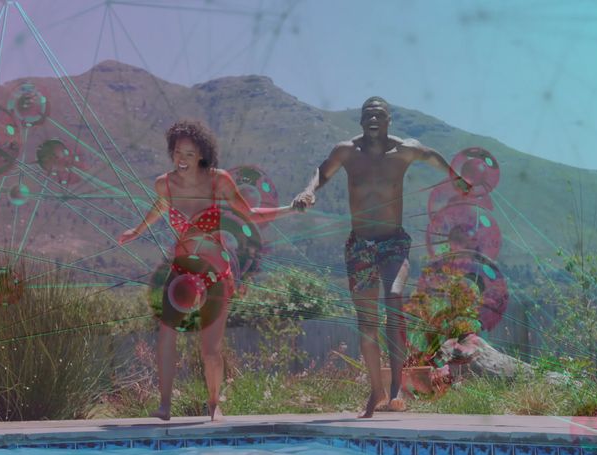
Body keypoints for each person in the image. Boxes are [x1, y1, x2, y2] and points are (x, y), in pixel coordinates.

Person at [292, 96, 469, 418]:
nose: (373, 119)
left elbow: (432, 156)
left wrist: (456, 177)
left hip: (392, 242)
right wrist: (309, 191)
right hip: (360, 246)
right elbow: (323, 172)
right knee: (367, 325)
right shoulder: (347, 151)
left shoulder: (404, 150)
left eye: (379, 115)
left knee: (394, 296)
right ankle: (375, 390)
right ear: (361, 120)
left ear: (388, 120)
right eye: (368, 115)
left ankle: (396, 387)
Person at [118, 120, 298, 421]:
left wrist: (291, 208)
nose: (181, 159)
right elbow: (160, 207)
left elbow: (249, 213)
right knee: (166, 337)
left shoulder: (219, 181)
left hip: (214, 273)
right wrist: (136, 230)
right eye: (177, 152)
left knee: (210, 349)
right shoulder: (165, 184)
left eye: (189, 154)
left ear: (202, 154)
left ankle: (214, 403)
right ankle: (164, 406)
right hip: (181, 273)